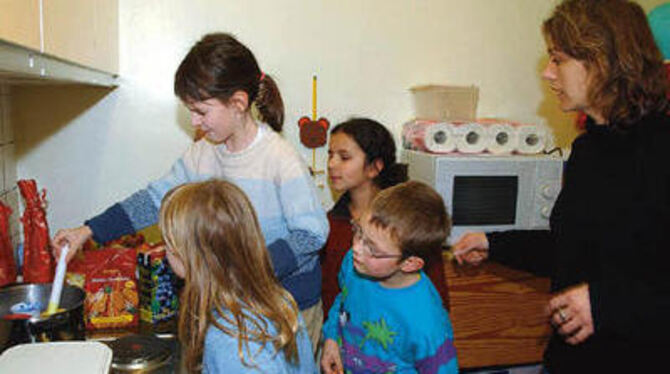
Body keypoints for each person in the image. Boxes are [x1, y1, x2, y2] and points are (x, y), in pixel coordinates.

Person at [51, 33, 329, 349]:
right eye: (190, 111)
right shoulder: (203, 153)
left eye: (201, 110)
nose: (195, 122)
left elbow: (312, 234)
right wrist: (88, 230)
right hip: (237, 304)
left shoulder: (280, 160)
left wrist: (246, 271)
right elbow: (155, 199)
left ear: (238, 103)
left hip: (288, 307)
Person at [453, 1, 670, 372]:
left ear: (601, 61)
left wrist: (606, 305)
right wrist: (493, 242)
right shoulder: (588, 149)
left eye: (558, 59)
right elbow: (571, 248)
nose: (548, 74)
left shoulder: (660, 151)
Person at [158, 180, 316, 373]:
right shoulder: (279, 300)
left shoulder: (228, 340)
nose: (164, 250)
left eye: (168, 242)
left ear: (188, 256)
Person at [321, 181, 458, 374]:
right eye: (359, 232)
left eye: (373, 249)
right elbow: (342, 300)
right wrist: (331, 339)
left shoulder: (428, 322)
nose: (356, 249)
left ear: (409, 263)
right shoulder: (354, 264)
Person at [321, 118, 450, 317]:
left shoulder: (408, 222)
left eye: (344, 157)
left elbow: (436, 296)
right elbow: (331, 293)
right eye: (330, 155)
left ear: (375, 167)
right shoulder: (330, 224)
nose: (331, 164)